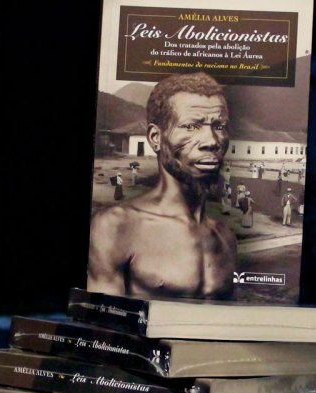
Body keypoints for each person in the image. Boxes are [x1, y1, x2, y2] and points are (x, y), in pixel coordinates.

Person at [88, 72, 236, 299]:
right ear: (155, 138)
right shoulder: (116, 227)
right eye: (191, 126)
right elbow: (102, 319)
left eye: (219, 126)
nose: (212, 141)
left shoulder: (225, 237)